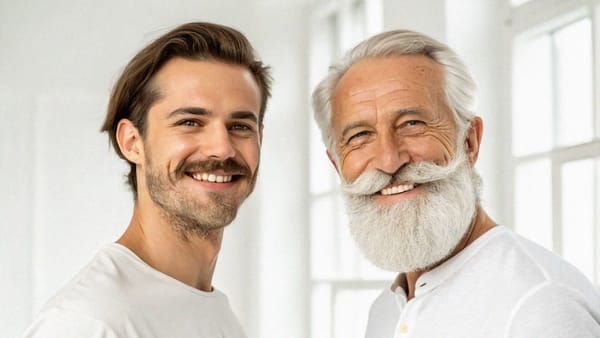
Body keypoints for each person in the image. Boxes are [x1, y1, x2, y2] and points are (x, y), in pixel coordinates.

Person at [312, 29, 600, 337]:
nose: (389, 160)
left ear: (470, 141)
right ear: (337, 164)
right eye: (360, 136)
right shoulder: (385, 311)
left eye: (413, 124)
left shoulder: (540, 303)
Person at [23, 22, 271, 338]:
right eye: (190, 122)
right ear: (132, 142)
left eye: (240, 126)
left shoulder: (217, 314)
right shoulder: (89, 322)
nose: (222, 148)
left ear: (260, 138)